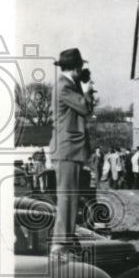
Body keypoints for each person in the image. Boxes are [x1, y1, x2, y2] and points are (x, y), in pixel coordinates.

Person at [49, 48, 96, 254]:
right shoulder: (65, 88)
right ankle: (60, 242)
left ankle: (66, 237)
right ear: (75, 68)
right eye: (81, 68)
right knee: (67, 196)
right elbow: (86, 109)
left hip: (69, 148)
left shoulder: (69, 84)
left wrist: (82, 85)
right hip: (68, 148)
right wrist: (86, 89)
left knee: (71, 195)